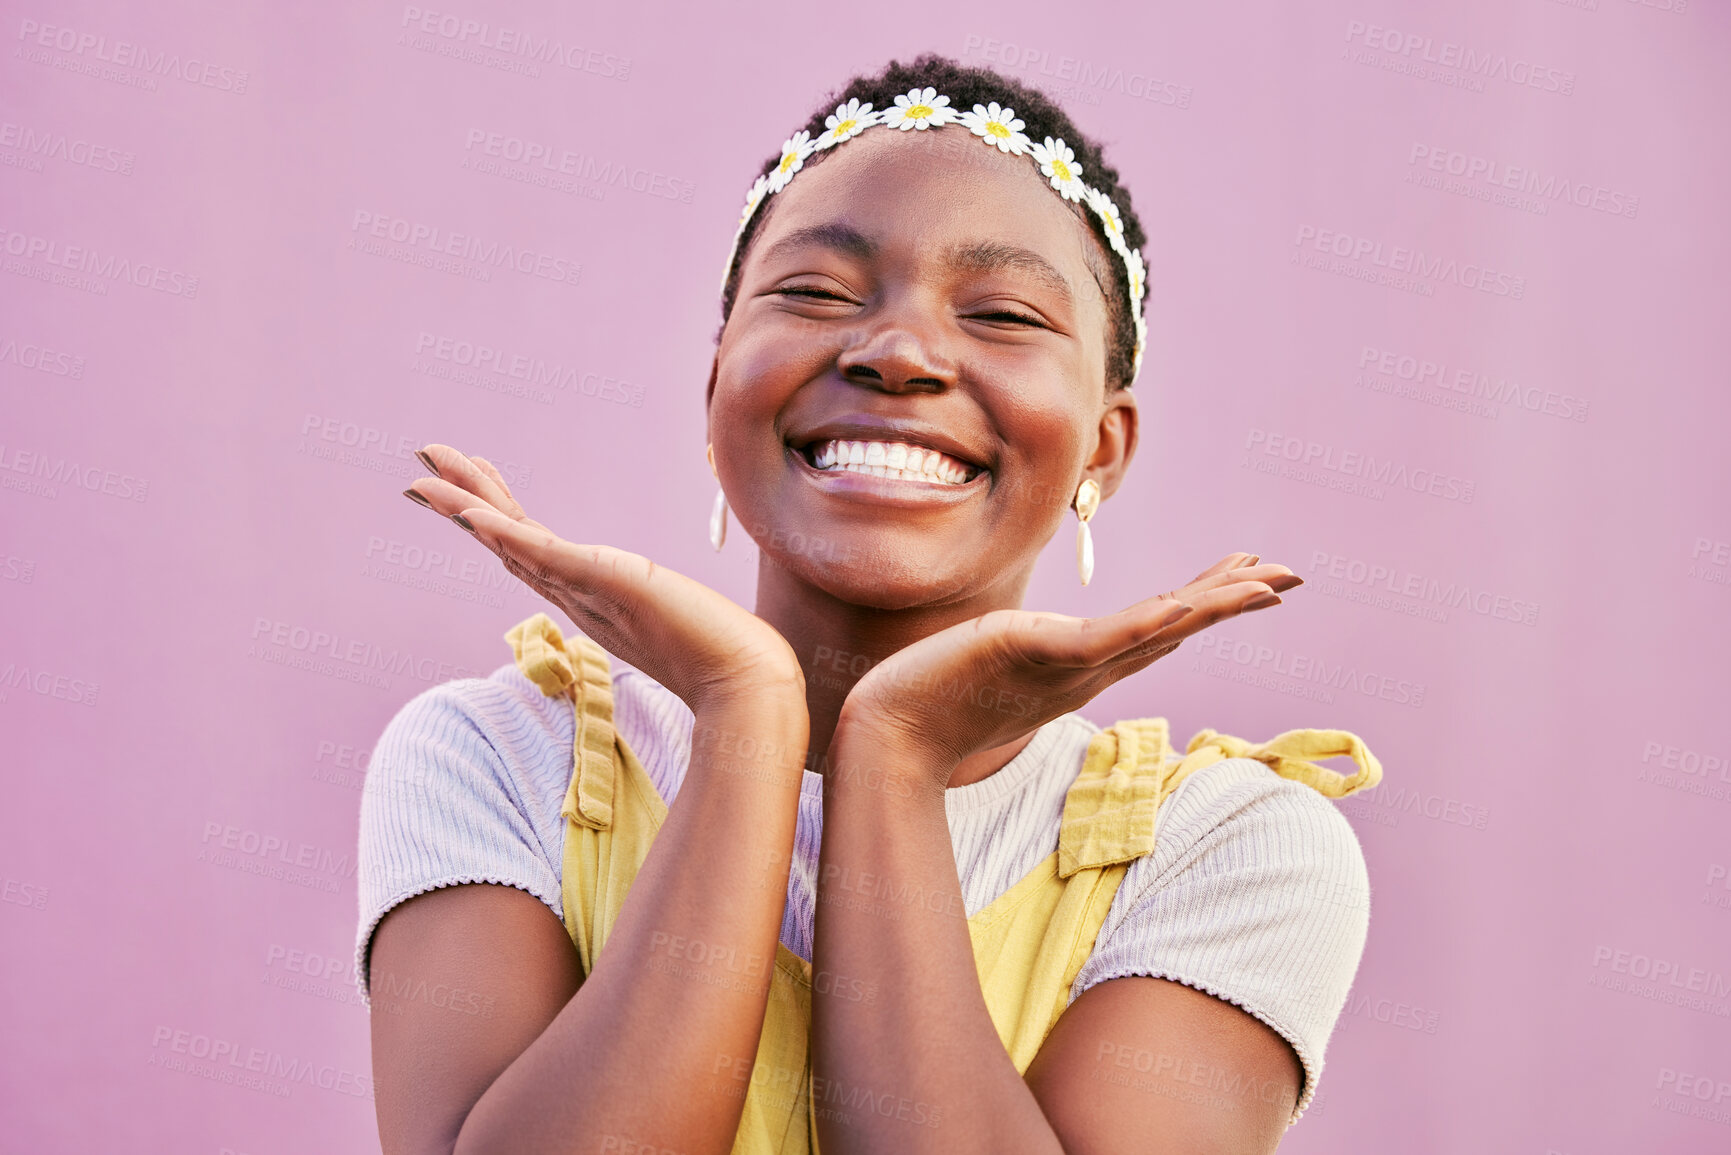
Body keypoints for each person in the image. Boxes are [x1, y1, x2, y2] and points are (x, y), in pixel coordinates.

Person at [358, 53, 1379, 1155]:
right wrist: (746, 718)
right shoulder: (502, 757)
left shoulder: (1231, 848)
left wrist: (894, 756)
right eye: (817, 294)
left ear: (1103, 445)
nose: (896, 353)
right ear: (716, 395)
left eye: (1002, 313)